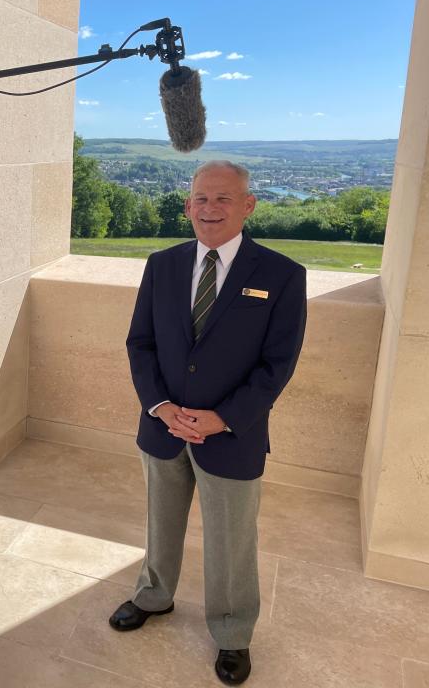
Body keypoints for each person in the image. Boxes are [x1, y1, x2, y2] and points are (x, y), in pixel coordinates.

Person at [110, 160, 307, 685]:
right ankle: (153, 595)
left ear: (248, 206)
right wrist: (160, 407)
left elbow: (277, 365)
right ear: (187, 205)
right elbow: (141, 343)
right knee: (160, 524)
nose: (209, 209)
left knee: (231, 541)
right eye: (201, 198)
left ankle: (233, 632)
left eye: (223, 199)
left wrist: (223, 418)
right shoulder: (162, 265)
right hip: (163, 429)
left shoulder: (282, 276)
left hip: (232, 437)